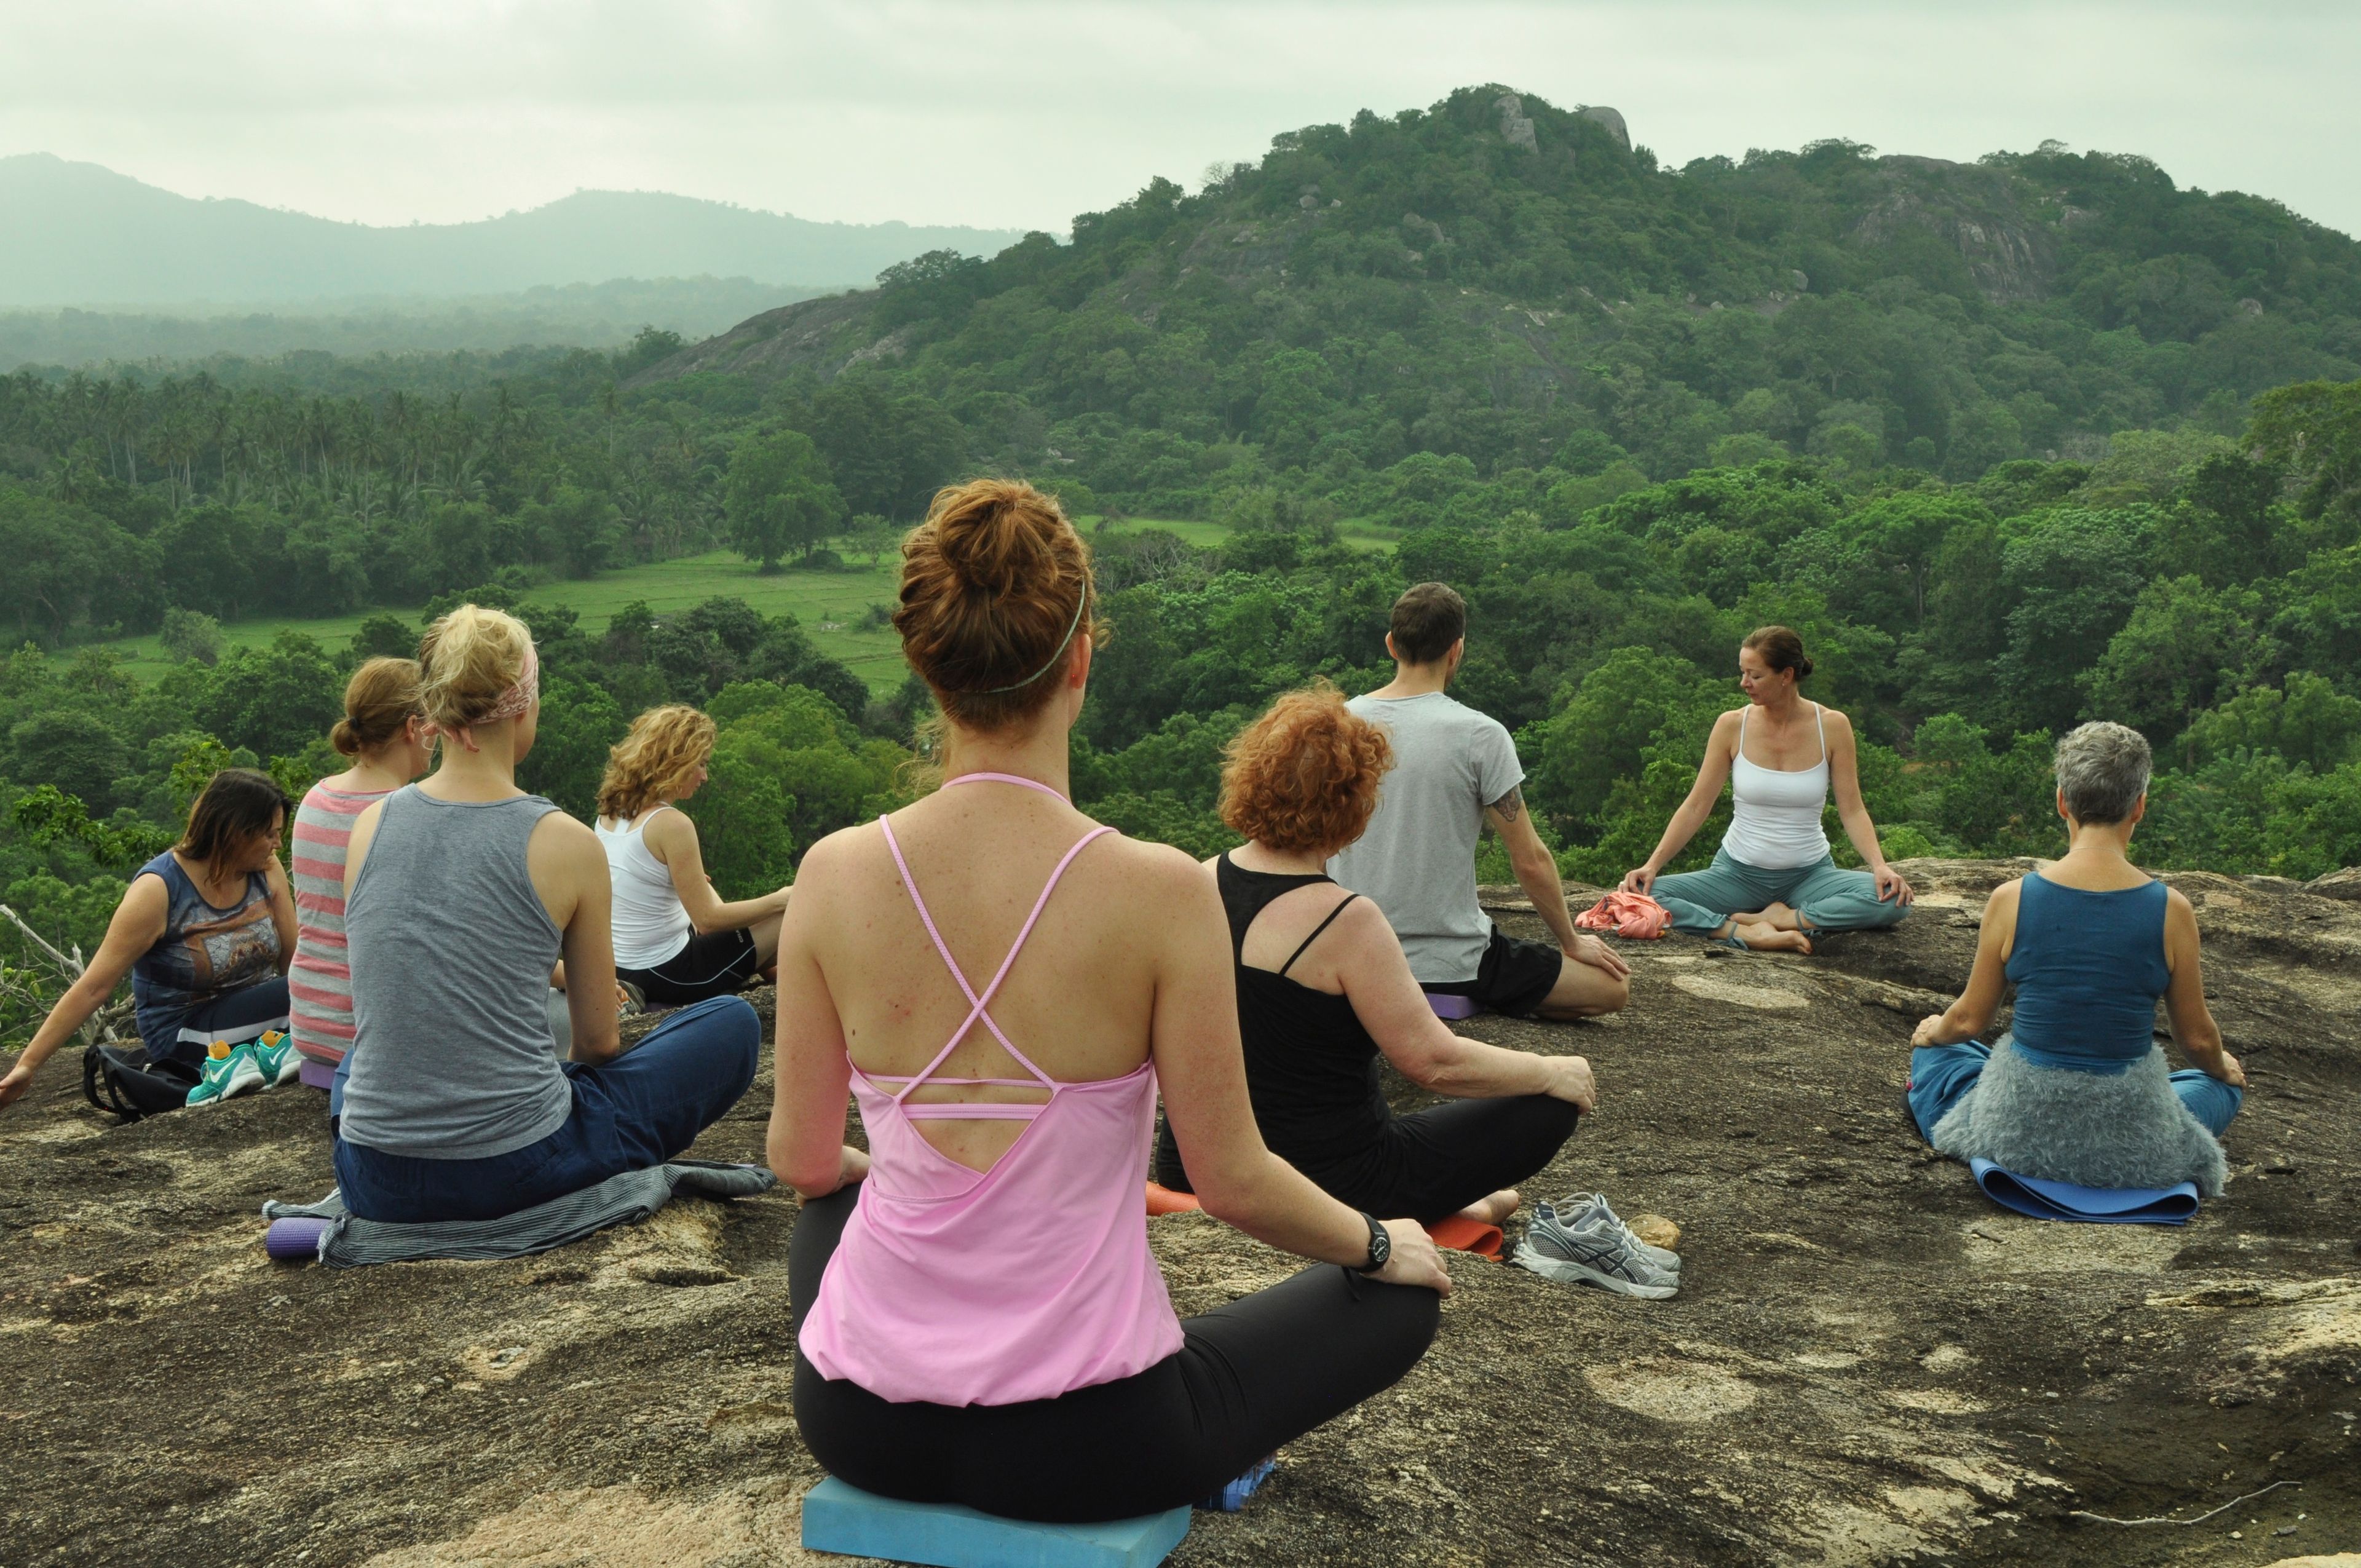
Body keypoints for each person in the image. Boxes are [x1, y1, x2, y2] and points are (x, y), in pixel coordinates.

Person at [770, 479, 1447, 1526]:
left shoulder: (830, 874)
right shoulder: (1163, 889)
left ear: (923, 662)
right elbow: (1231, 1179)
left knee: (836, 1203)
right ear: (1081, 656)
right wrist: (1378, 1241)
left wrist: (900, 1171)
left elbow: (805, 1165)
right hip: (1092, 1446)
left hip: (862, 1425)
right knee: (1402, 1299)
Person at [331, 605, 759, 1224]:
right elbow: (598, 1041)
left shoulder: (368, 826)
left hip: (373, 1175)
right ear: (523, 708)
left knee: (360, 1061)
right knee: (733, 1024)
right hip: (514, 1170)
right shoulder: (564, 842)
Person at [1153, 683, 1595, 1234]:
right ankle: (1454, 1214)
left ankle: (1468, 1211)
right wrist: (1553, 1070)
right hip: (1335, 1181)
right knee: (1547, 1106)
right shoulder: (1346, 921)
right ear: (1354, 805)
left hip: (1194, 1167)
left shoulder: (1196, 881)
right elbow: (1433, 1062)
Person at [1907, 722, 2242, 1194]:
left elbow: (1966, 1022)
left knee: (1944, 1057)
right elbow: (2196, 1038)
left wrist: (1933, 1033)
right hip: (2132, 1148)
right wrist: (2223, 1069)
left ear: (2062, 800)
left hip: (2016, 1138)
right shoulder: (2172, 911)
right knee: (2214, 1086)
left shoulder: (2011, 898)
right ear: (2140, 806)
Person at [1326, 582, 1629, 1020]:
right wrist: (1571, 941)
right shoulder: (1480, 734)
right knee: (1612, 988)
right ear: (1457, 650)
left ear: (1392, 645)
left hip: (1350, 952)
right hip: (1450, 963)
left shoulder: (1340, 724)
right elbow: (1529, 859)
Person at [0, 768, 297, 1111]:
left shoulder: (265, 869)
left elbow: (293, 957)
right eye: (269, 834)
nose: (277, 844)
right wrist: (28, 1066)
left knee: (319, 983)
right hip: (184, 1035)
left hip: (254, 1016)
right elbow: (94, 987)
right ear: (233, 833)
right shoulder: (159, 890)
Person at [1621, 625, 1912, 952]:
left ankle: (1787, 920)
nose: (1744, 683)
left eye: (1755, 676)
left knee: (1895, 902)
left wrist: (1879, 866)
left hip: (1809, 876)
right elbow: (1696, 805)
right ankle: (1744, 932)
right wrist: (1652, 865)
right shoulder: (1732, 725)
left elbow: (1853, 809)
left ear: (1786, 675)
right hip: (1737, 874)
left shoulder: (1832, 726)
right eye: (1743, 673)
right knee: (1638, 897)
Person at [287, 657, 433, 1074]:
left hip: (311, 1025)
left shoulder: (315, 799)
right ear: (412, 728)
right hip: (366, 1031)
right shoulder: (404, 814)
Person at [595, 704, 789, 1005]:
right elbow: (708, 920)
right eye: (700, 764)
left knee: (721, 901)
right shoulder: (671, 824)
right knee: (794, 911)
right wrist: (783, 897)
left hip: (624, 967)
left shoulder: (611, 813)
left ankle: (772, 973)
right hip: (672, 973)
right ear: (677, 762)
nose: (704, 776)